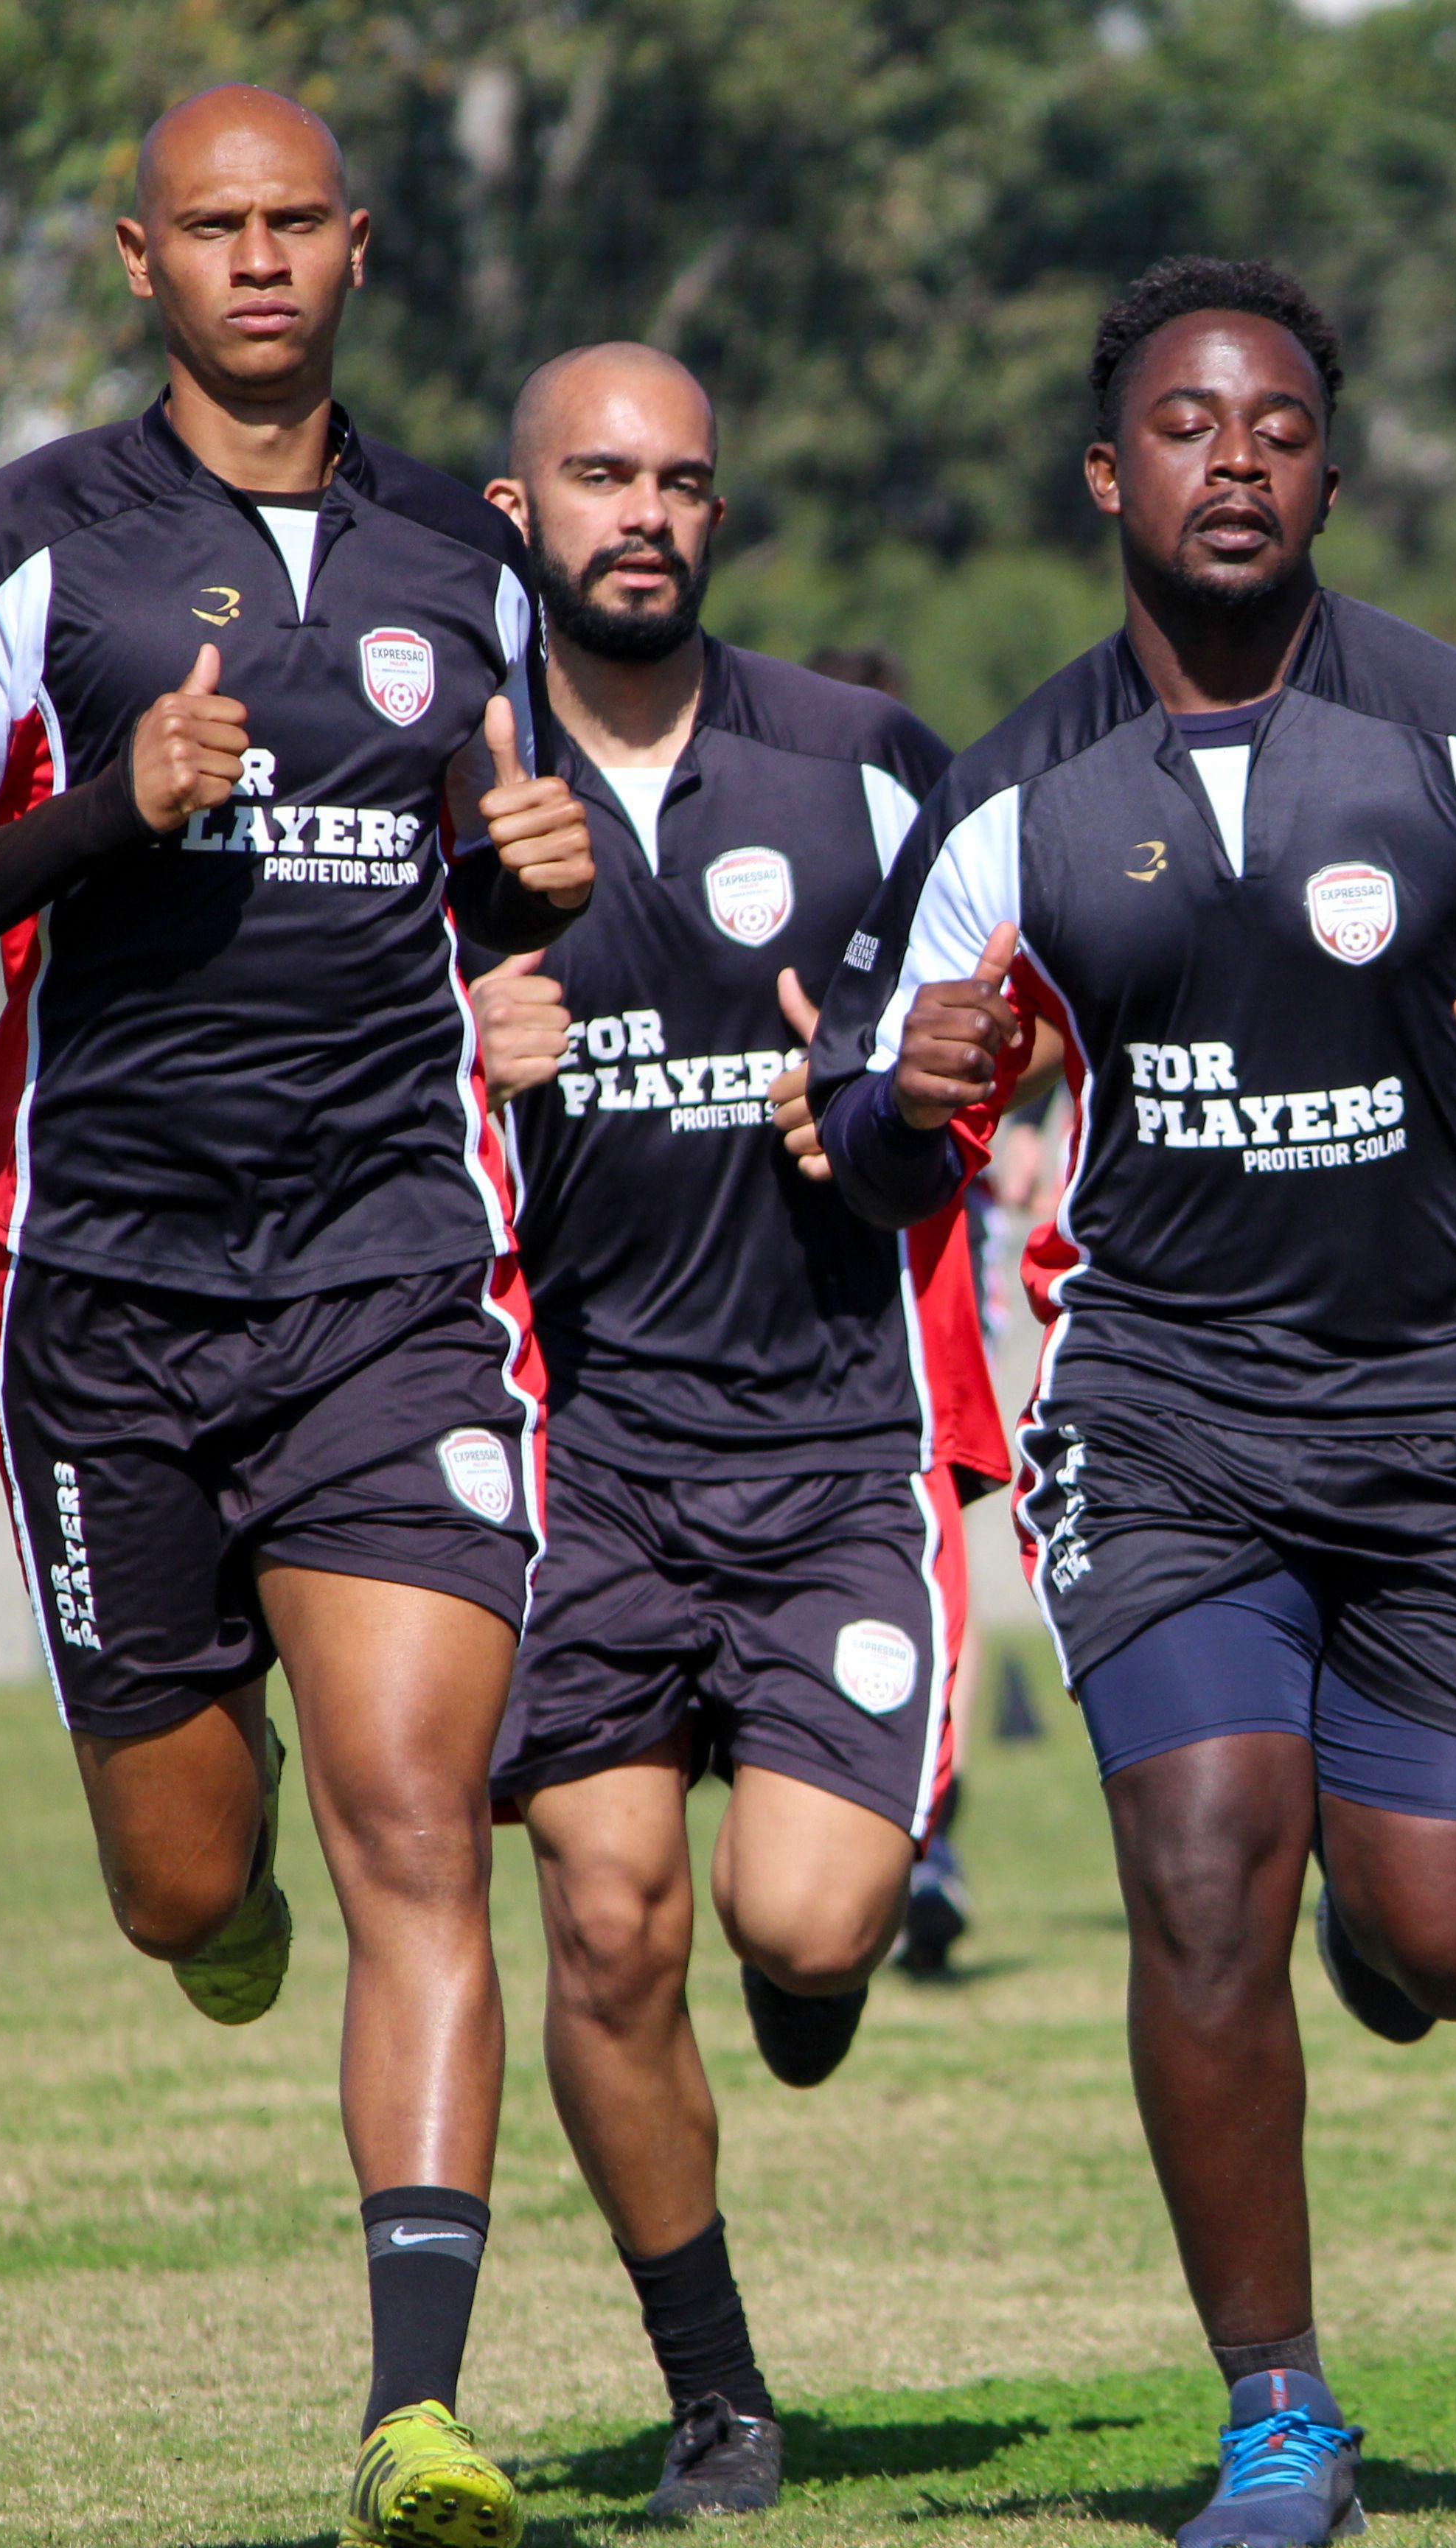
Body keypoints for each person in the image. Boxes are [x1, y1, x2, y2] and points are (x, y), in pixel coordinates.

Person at [804, 256, 1456, 2547]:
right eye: (1191, 427)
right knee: (1197, 1879)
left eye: (1282, 427)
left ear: (1331, 464)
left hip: (1439, 1411)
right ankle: (1278, 2416)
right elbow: (861, 1097)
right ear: (1109, 471)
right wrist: (901, 1085)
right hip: (1163, 1405)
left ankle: (1384, 1910)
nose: (1239, 462)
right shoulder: (1011, 792)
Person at [0, 86, 591, 2548]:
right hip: (102, 1296)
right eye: (210, 229)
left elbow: (505, 869)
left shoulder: (473, 552)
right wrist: (101, 813)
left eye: (295, 226)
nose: (257, 263)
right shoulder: (24, 546)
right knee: (185, 1887)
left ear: (359, 246)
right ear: (144, 257)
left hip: (394, 1286)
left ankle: (414, 2415)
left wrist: (530, 889)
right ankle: (199, 1890)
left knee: (420, 1825)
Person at [455, 342, 1003, 2519]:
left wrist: (874, 1099)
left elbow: (993, 1052)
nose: (646, 512)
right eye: (599, 475)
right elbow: (301, 1078)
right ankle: (719, 2395)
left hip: (830, 1454)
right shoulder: (441, 790)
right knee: (606, 1927)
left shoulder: (868, 765)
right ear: (520, 513)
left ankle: (819, 1973)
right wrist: (448, 1045)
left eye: (681, 475)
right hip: (574, 1464)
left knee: (801, 1927)